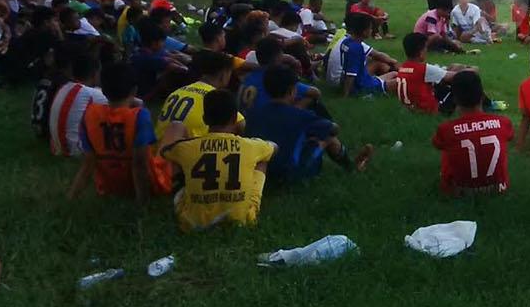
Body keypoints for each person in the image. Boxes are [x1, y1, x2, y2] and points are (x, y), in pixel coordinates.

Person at [159, 89, 275, 231]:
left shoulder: (186, 147)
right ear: (234, 118)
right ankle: (248, 209)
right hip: (240, 221)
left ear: (205, 119)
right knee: (263, 158)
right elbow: (274, 147)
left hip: (193, 223)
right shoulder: (250, 146)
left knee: (176, 157)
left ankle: (187, 194)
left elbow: (165, 151)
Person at [248, 65, 373, 182]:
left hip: (261, 171)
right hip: (290, 174)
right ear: (292, 91)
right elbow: (333, 129)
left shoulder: (254, 112)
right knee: (326, 136)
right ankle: (351, 167)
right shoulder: (301, 115)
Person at [67, 63, 172, 201]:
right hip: (147, 186)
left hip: (108, 188)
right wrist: (142, 202)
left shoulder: (90, 115)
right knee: (172, 134)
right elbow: (139, 164)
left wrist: (72, 197)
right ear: (134, 90)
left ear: (103, 91)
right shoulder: (140, 116)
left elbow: (88, 164)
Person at [431, 70, 515, 194]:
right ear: (482, 96)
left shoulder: (446, 129)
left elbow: (437, 144)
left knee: (448, 148)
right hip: (498, 188)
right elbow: (510, 136)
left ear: (454, 99)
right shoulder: (503, 122)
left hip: (458, 191)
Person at [158, 50, 243, 138]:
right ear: (223, 74)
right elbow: (242, 126)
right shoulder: (217, 97)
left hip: (161, 146)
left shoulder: (177, 92)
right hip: (190, 148)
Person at [238, 36, 324, 114]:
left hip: (248, 123)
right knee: (310, 99)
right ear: (278, 56)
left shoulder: (249, 77)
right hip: (269, 123)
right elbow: (316, 93)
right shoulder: (276, 77)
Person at [393, 32, 473, 114]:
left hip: (410, 107)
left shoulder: (402, 67)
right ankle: (479, 108)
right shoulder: (424, 69)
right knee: (464, 82)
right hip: (429, 109)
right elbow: (455, 76)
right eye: (425, 48)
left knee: (440, 84)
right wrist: (472, 69)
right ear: (420, 52)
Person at [47, 51, 108, 157]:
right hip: (76, 151)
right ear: (94, 73)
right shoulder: (89, 92)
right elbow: (126, 102)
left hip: (57, 148)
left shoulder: (64, 87)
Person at [338, 13, 397, 97]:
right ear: (364, 31)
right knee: (401, 82)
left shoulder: (346, 42)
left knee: (394, 74)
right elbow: (351, 74)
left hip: (366, 80)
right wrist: (346, 95)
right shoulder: (357, 48)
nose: (371, 30)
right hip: (364, 86)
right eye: (370, 28)